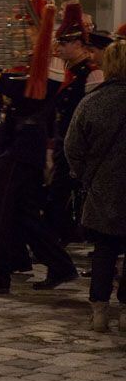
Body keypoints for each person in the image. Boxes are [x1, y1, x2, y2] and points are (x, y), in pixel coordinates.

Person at [0, 0, 78, 296]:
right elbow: (5, 108)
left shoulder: (50, 62)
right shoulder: (22, 61)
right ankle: (61, 265)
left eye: (26, 25)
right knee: (25, 216)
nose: (20, 32)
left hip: (24, 147)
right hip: (10, 143)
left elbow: (32, 96)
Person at [65, 39, 126, 332]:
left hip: (102, 186)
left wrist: (85, 174)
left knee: (105, 248)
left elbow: (72, 146)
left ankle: (99, 311)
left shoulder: (92, 101)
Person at [44, 2, 103, 244]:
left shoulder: (91, 74)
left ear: (79, 44)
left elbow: (95, 115)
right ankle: (59, 241)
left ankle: (56, 247)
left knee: (59, 199)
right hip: (62, 143)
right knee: (56, 199)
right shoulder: (67, 71)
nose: (60, 48)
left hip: (78, 147)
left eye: (64, 43)